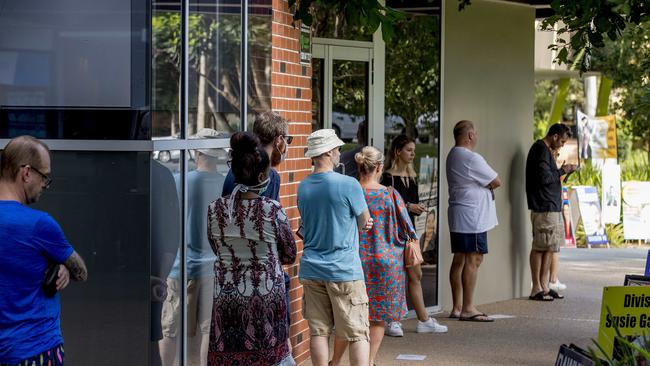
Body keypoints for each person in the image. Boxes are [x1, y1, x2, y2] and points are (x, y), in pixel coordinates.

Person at [206, 132, 296, 366]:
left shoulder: (215, 209)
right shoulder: (272, 209)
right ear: (260, 176)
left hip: (227, 300)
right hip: (266, 300)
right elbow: (289, 254)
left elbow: (216, 248)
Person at [0, 136, 88, 365]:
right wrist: (63, 265)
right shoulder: (39, 224)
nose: (45, 185)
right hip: (35, 350)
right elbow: (81, 272)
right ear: (26, 173)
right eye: (44, 176)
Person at [330, 146, 417, 366]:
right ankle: (367, 362)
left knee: (349, 317)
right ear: (378, 167)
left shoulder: (350, 192)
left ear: (360, 167)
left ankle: (335, 361)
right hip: (387, 263)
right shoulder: (389, 194)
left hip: (354, 260)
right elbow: (409, 229)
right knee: (377, 317)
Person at [298, 129, 374, 366]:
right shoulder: (349, 184)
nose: (340, 153)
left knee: (319, 332)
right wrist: (361, 222)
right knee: (358, 332)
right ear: (329, 152)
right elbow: (365, 221)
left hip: (311, 268)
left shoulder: (303, 186)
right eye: (338, 149)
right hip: (344, 269)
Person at [221, 111, 293, 337]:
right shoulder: (270, 176)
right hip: (263, 276)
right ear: (279, 139)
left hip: (232, 274)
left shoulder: (232, 174)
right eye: (288, 140)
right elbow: (277, 237)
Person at [159, 129, 226, 366]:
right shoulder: (225, 186)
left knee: (170, 331)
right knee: (209, 331)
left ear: (197, 152)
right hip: (214, 269)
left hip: (179, 267)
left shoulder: (180, 181)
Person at [381, 135, 447, 335]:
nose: (412, 154)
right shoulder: (387, 178)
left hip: (409, 232)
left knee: (415, 274)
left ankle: (423, 319)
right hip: (393, 233)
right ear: (397, 151)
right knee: (397, 276)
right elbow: (386, 206)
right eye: (409, 150)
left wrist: (416, 209)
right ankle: (393, 320)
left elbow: (410, 206)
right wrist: (409, 206)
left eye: (413, 151)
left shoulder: (412, 178)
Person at [446, 121, 501, 322]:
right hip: (473, 216)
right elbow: (496, 181)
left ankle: (457, 307)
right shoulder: (471, 157)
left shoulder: (452, 154)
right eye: (475, 133)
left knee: (460, 258)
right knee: (474, 258)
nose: (477, 136)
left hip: (460, 213)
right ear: (469, 135)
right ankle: (468, 307)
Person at [526, 123, 576, 301]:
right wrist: (563, 170)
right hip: (544, 207)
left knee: (549, 248)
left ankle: (545, 285)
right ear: (554, 136)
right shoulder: (540, 150)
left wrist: (560, 168)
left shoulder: (547, 151)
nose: (562, 145)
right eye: (562, 141)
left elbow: (549, 176)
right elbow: (544, 178)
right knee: (540, 247)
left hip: (551, 207)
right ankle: (537, 287)